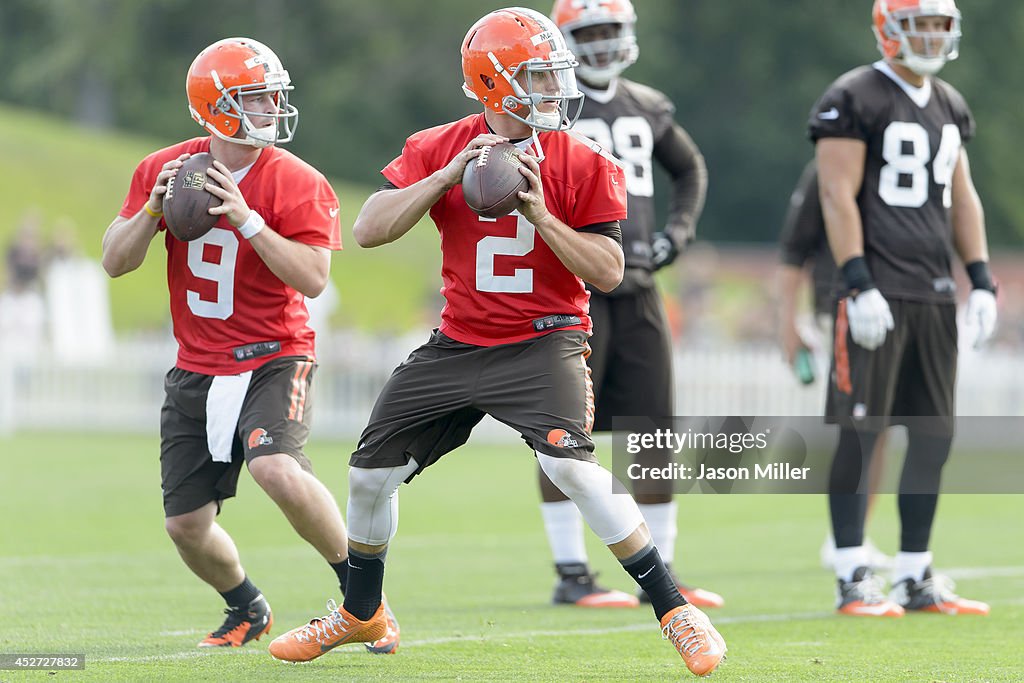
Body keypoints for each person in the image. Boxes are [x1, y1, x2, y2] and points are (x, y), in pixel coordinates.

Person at [268, 8, 726, 676]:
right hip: (459, 342)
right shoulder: (440, 144)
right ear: (493, 83)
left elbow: (608, 270)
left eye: (553, 76)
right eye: (538, 77)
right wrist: (445, 177)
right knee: (367, 475)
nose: (554, 92)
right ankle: (361, 608)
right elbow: (368, 229)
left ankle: (673, 606)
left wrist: (542, 214)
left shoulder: (583, 160)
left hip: (546, 341)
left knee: (571, 466)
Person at [101, 37, 399, 654]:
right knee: (185, 525)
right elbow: (114, 261)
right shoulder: (166, 168)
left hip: (274, 353)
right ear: (215, 106)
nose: (269, 107)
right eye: (254, 96)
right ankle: (246, 606)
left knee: (275, 468)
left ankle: (365, 601)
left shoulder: (297, 182)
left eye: (272, 95)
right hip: (196, 365)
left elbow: (314, 278)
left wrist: (247, 218)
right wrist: (150, 211)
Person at [810, 0, 995, 617]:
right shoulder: (854, 95)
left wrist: (981, 279)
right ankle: (850, 571)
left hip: (932, 293)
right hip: (876, 290)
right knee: (863, 433)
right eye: (923, 24)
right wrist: (858, 282)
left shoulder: (949, 102)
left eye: (943, 25)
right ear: (889, 29)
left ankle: (915, 574)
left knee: (935, 434)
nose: (935, 36)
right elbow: (836, 194)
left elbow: (961, 195)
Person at [543, 0, 722, 610]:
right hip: (576, 288)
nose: (600, 43)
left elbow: (690, 168)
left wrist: (680, 232)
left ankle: (662, 574)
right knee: (564, 431)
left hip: (641, 283)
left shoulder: (646, 104)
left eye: (609, 30)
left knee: (652, 429)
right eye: (587, 33)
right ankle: (572, 572)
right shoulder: (550, 105)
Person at [775, 160, 893, 573]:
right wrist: (787, 320)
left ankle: (855, 532)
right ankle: (846, 540)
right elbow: (794, 248)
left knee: (882, 427)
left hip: (898, 304)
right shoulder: (827, 168)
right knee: (859, 423)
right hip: (841, 303)